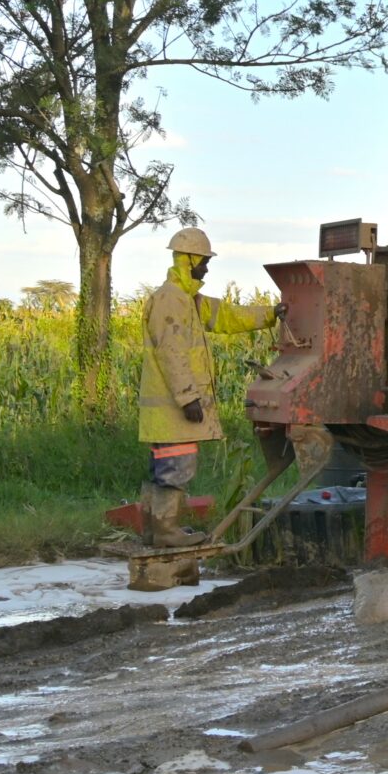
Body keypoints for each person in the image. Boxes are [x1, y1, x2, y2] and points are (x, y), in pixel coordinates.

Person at [137, 226, 280, 547]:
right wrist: (188, 397)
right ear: (188, 260)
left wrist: (271, 314)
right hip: (172, 409)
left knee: (163, 469)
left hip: (166, 411)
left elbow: (226, 316)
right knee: (176, 467)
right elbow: (171, 353)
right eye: (203, 261)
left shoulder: (187, 300)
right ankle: (165, 532)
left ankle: (155, 530)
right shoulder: (171, 301)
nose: (206, 268)